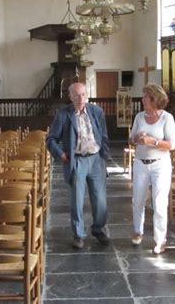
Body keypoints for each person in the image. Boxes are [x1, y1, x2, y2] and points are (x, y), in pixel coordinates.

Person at [46, 82, 110, 249]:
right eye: (77, 95)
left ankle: (98, 229)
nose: (81, 98)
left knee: (100, 200)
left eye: (83, 94)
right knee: (76, 200)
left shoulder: (96, 111)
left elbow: (103, 135)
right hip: (77, 161)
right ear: (71, 97)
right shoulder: (63, 114)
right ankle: (78, 234)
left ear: (87, 95)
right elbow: (51, 139)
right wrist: (61, 154)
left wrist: (104, 155)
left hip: (96, 159)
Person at [129, 83, 175, 254]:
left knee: (159, 202)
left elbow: (171, 145)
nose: (142, 100)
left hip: (160, 164)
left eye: (145, 97)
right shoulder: (140, 117)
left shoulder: (167, 118)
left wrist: (153, 142)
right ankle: (137, 231)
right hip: (141, 162)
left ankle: (160, 240)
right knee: (138, 199)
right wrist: (138, 137)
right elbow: (132, 139)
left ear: (154, 99)